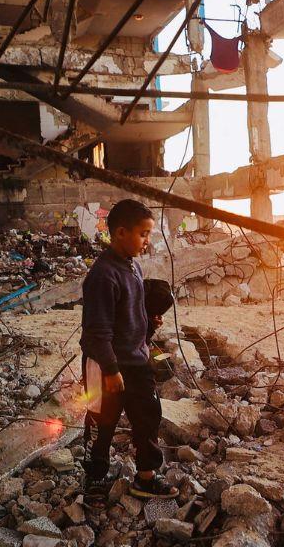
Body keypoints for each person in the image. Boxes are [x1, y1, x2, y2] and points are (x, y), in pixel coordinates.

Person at [80, 199, 178, 500]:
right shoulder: (102, 275)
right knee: (101, 422)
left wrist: (149, 327)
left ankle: (146, 477)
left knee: (148, 416)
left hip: (136, 362)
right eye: (143, 234)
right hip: (104, 365)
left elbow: (131, 315)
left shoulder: (133, 267)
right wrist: (111, 370)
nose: (147, 241)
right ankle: (95, 479)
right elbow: (98, 331)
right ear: (121, 232)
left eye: (149, 234)